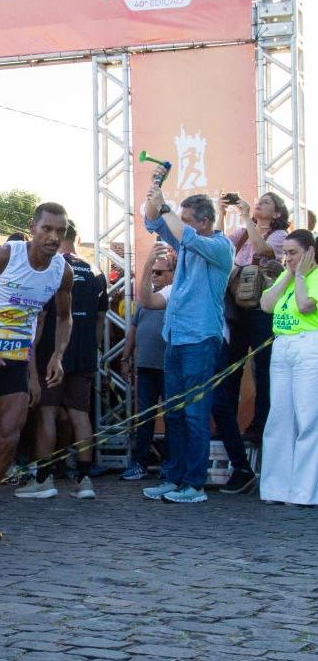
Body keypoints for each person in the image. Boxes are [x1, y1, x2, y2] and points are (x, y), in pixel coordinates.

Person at [0, 203, 73, 540]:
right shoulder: (8, 255)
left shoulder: (62, 271)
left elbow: (65, 316)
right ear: (32, 228)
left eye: (59, 231)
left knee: (8, 439)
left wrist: (57, 356)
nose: (52, 237)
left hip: (17, 358)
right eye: (47, 229)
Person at [142, 191, 234, 504]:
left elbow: (184, 234)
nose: (180, 227)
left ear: (205, 222)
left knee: (195, 414)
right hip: (177, 337)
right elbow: (151, 220)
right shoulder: (186, 240)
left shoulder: (220, 246)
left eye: (187, 220)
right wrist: (154, 193)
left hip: (201, 339)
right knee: (175, 414)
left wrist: (166, 206)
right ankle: (174, 478)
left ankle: (194, 485)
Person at [18, 220, 106, 499]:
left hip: (50, 351)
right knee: (80, 415)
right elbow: (101, 320)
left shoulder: (50, 266)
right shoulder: (95, 270)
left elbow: (38, 318)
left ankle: (44, 480)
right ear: (77, 237)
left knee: (47, 413)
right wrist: (93, 349)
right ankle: (84, 481)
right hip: (83, 351)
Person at [220, 193, 288, 444]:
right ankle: (226, 424)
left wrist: (248, 217)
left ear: (277, 214)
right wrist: (221, 212)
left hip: (262, 310)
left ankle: (260, 425)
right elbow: (221, 246)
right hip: (237, 309)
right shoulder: (243, 232)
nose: (259, 203)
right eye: (258, 201)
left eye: (266, 203)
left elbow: (264, 250)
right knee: (231, 368)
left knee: (263, 370)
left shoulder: (280, 236)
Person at [259, 230, 318, 506]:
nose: (287, 257)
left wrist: (301, 276)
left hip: (309, 346)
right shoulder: (289, 277)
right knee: (279, 417)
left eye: (293, 252)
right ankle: (276, 489)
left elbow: (306, 306)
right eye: (285, 252)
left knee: (308, 419)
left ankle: (304, 492)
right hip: (282, 346)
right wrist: (288, 273)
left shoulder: (313, 277)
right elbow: (266, 304)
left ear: (310, 252)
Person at [120, 243, 175, 480]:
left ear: (173, 273)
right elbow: (132, 330)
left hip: (170, 366)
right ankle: (139, 463)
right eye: (153, 272)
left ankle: (170, 466)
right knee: (144, 417)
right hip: (145, 366)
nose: (155, 276)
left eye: (160, 272)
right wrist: (125, 358)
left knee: (174, 416)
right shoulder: (144, 300)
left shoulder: (175, 296)